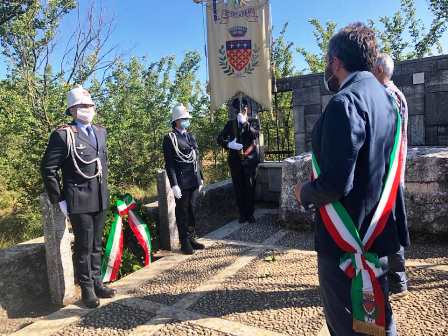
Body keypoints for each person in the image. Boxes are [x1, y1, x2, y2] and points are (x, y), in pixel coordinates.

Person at [295, 23, 409, 336]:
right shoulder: (386, 99)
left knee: (349, 326)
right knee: (376, 321)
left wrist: (304, 191)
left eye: (327, 62)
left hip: (346, 241)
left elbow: (335, 184)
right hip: (379, 232)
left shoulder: (344, 103)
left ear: (335, 61)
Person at [41, 85, 116, 309]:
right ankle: (87, 290)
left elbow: (102, 164)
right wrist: (60, 199)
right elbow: (48, 168)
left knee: (96, 244)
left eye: (90, 105)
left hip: (100, 197)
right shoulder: (63, 135)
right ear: (73, 110)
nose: (88, 109)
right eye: (83, 106)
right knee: (84, 246)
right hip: (79, 199)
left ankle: (97, 282)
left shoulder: (101, 131)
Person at [373, 53, 409, 299]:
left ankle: (397, 281)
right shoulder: (398, 94)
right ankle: (396, 279)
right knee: (392, 224)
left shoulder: (387, 96)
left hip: (389, 174)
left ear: (377, 70)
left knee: (390, 225)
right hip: (395, 171)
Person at [162, 103, 205, 255]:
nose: (187, 120)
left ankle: (192, 237)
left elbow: (196, 158)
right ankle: (184, 241)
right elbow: (170, 164)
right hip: (181, 181)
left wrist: (201, 178)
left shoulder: (190, 136)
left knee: (192, 209)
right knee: (182, 211)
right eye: (184, 118)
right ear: (177, 120)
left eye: (187, 118)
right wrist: (174, 184)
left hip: (193, 180)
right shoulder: (170, 138)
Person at [217, 97, 259, 224]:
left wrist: (246, 124)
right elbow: (220, 138)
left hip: (250, 161)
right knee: (239, 188)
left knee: (250, 188)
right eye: (239, 109)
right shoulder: (230, 124)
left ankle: (250, 214)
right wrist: (228, 144)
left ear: (248, 108)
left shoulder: (253, 121)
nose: (242, 111)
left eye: (244, 108)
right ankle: (242, 214)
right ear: (236, 111)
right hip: (235, 162)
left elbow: (255, 134)